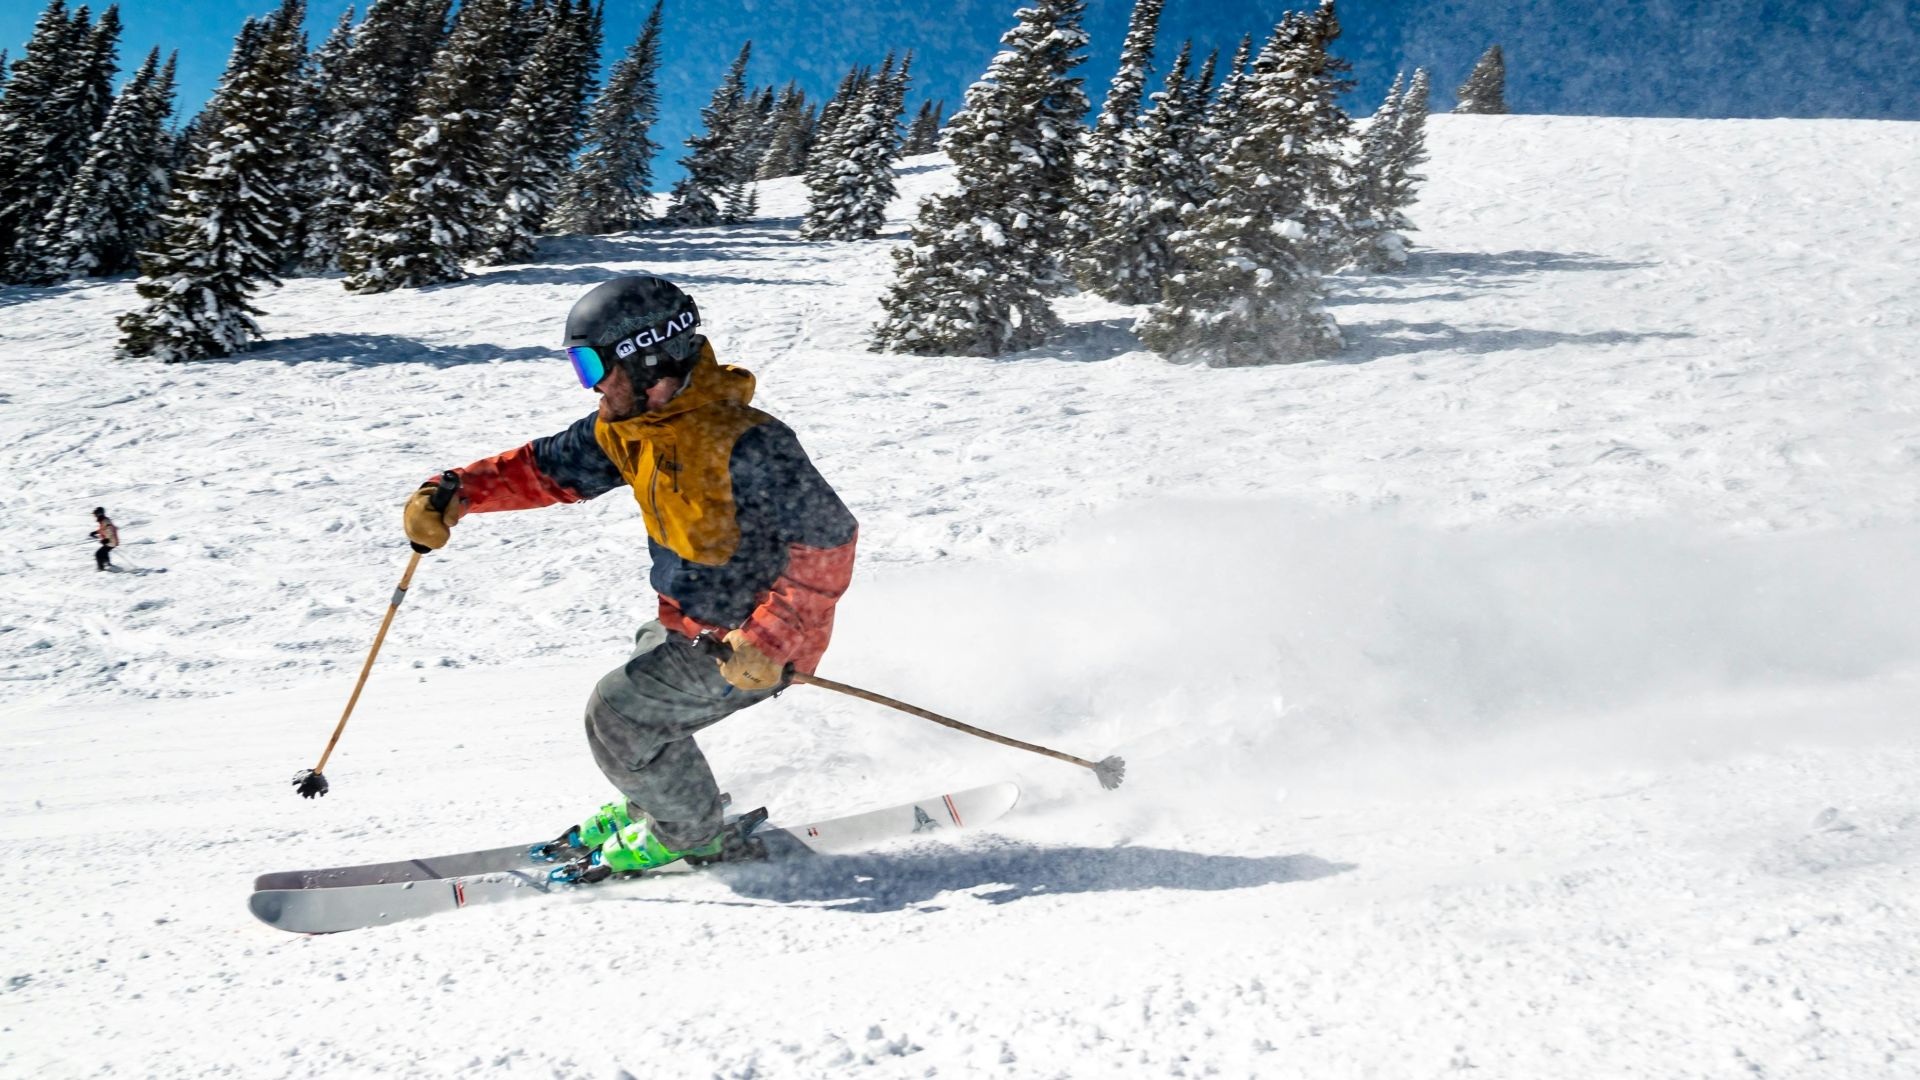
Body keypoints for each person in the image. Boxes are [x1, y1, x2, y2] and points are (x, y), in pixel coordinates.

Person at [402, 276, 858, 874]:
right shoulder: (631, 428)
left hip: (753, 644)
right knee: (643, 703)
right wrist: (456, 492)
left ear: (647, 361)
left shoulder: (748, 444)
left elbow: (830, 540)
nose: (589, 384)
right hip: (686, 621)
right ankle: (663, 799)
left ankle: (692, 833)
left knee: (618, 716)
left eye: (592, 365)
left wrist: (770, 638)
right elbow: (546, 469)